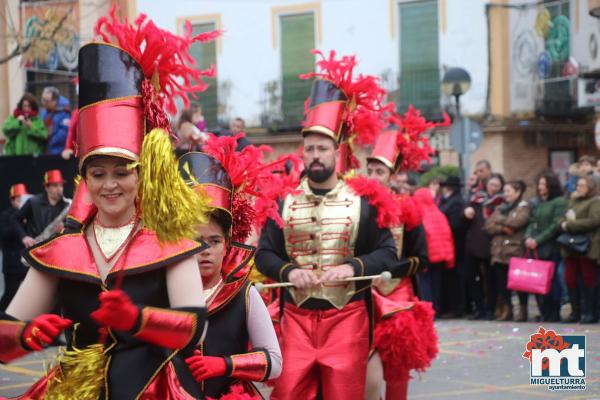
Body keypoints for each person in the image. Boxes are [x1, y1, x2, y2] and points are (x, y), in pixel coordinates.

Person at [0, 9, 217, 398]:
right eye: (98, 174)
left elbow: (195, 328)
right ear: (85, 178)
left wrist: (137, 319)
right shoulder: (62, 250)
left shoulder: (171, 241)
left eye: (122, 172)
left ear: (141, 174)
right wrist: (27, 335)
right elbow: (4, 337)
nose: (110, 185)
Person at [255, 50, 397, 400]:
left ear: (337, 152)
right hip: (296, 320)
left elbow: (388, 253)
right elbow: (264, 255)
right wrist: (288, 272)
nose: (315, 155)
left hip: (347, 319)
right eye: (309, 148)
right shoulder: (282, 202)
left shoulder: (363, 203)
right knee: (288, 393)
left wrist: (352, 267)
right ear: (302, 153)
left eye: (322, 148)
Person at [178, 145, 284, 397]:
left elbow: (275, 363)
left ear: (227, 245)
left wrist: (225, 364)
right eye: (196, 241)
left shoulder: (244, 294)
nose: (205, 250)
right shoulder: (162, 291)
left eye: (214, 241)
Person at [364, 122, 436, 400]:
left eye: (379, 172)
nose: (373, 176)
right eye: (369, 170)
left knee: (397, 367)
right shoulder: (354, 206)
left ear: (392, 176)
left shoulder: (408, 207)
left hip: (398, 294)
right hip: (363, 292)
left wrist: (389, 270)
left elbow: (422, 258)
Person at [485, 180, 531, 321]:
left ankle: (522, 309)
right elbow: (488, 225)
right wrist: (502, 228)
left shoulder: (524, 207)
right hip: (499, 251)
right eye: (504, 191)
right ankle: (507, 309)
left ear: (517, 192)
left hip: (515, 249)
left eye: (509, 191)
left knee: (519, 283)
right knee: (502, 283)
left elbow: (518, 222)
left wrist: (499, 220)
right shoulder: (501, 207)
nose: (506, 194)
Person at [524, 172, 566, 322]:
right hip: (537, 249)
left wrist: (538, 240)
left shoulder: (559, 202)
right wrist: (528, 237)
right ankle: (544, 311)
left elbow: (555, 226)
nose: (540, 187)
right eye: (540, 184)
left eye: (543, 184)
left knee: (552, 282)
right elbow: (532, 221)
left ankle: (553, 312)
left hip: (551, 247)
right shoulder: (540, 203)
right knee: (539, 282)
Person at [462, 173, 505, 320]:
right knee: (473, 278)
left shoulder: (501, 203)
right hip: (473, 245)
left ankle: (490, 309)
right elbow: (464, 219)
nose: (493, 188)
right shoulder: (476, 199)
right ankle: (478, 308)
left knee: (491, 280)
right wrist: (466, 212)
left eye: (497, 186)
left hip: (491, 246)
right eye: (491, 184)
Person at [560, 175, 600, 324]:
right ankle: (575, 311)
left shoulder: (595, 201)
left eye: (582, 185)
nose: (578, 188)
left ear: (590, 187)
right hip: (571, 245)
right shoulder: (573, 201)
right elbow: (563, 218)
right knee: (569, 278)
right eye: (578, 185)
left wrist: (570, 225)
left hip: (586, 245)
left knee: (588, 278)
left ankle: (589, 312)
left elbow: (594, 220)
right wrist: (564, 223)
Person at [13, 169, 71, 248]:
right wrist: (24, 237)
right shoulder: (33, 202)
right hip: (35, 247)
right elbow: (15, 219)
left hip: (57, 248)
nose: (59, 189)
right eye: (55, 185)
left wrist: (64, 228)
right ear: (46, 188)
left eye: (61, 185)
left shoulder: (67, 205)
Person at [438, 175, 466, 318]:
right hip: (448, 245)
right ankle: (451, 307)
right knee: (449, 278)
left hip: (455, 245)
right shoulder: (447, 201)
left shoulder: (456, 203)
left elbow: (454, 225)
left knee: (454, 278)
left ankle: (456, 308)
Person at [0, 184, 30, 310]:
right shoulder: (5, 216)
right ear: (12, 200)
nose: (21, 203)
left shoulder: (28, 214)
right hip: (12, 264)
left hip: (26, 262)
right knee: (10, 293)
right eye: (18, 200)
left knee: (29, 294)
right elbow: (4, 234)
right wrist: (17, 224)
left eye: (23, 200)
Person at [40, 86, 71, 155]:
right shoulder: (44, 112)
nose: (43, 103)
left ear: (55, 101)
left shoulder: (64, 112)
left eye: (46, 101)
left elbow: (64, 132)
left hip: (58, 152)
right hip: (45, 151)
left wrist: (49, 141)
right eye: (42, 99)